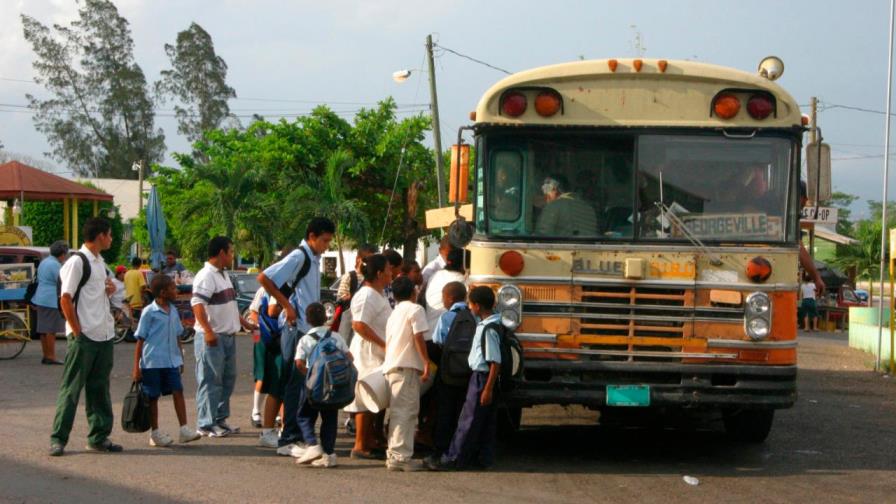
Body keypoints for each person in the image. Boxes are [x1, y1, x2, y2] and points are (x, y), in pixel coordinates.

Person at [257, 217, 335, 453]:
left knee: (301, 384)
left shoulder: (313, 257)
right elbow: (264, 277)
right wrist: (287, 306)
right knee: (294, 383)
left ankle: (295, 434)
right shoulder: (299, 256)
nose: (326, 245)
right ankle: (288, 437)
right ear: (312, 236)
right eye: (324, 240)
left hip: (306, 328)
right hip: (295, 328)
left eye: (329, 241)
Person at [49, 218, 119, 457]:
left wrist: (107, 291)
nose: (111, 239)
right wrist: (77, 331)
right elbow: (65, 298)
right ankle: (58, 439)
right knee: (71, 389)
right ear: (100, 235)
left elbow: (92, 295)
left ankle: (99, 437)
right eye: (109, 234)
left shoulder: (99, 262)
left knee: (99, 389)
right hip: (85, 335)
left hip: (104, 334)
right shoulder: (77, 262)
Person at [427, 286, 502, 471]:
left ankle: (453, 458)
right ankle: (481, 458)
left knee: (467, 421)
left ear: (477, 306)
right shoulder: (494, 323)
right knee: (482, 421)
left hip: (481, 379)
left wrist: (487, 389)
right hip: (480, 378)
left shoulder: (488, 329)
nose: (468, 307)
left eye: (470, 303)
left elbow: (495, 362)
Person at [131, 274, 202, 447]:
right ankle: (155, 432)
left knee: (178, 391)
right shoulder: (149, 312)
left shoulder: (173, 311)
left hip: (171, 361)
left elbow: (178, 335)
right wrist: (136, 368)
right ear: (163, 292)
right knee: (153, 397)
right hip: (152, 362)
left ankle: (184, 429)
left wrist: (180, 357)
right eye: (172, 288)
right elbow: (140, 340)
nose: (176, 290)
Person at [191, 236, 248, 438]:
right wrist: (207, 331)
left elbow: (230, 305)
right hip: (212, 337)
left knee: (227, 378)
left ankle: (219, 419)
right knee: (210, 379)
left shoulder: (223, 275)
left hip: (228, 336)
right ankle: (205, 423)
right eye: (231, 251)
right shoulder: (206, 275)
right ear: (222, 253)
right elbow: (197, 305)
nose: (232, 255)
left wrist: (245, 322)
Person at [344, 254, 392, 459]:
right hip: (367, 354)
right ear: (379, 273)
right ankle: (360, 445)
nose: (392, 274)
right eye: (389, 270)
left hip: (378, 353)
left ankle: (370, 439)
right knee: (365, 399)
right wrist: (384, 344)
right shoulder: (366, 295)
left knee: (377, 397)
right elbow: (359, 325)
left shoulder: (377, 294)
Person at [294, 302, 352, 468]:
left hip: (312, 387)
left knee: (304, 416)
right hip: (333, 387)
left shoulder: (305, 339)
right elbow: (349, 357)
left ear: (307, 319)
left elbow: (298, 363)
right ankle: (329, 454)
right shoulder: (336, 336)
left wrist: (309, 375)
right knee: (330, 419)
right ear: (325, 318)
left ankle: (312, 444)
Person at [383, 276, 430, 471]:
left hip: (393, 366)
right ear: (413, 292)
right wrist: (426, 362)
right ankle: (401, 457)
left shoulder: (394, 312)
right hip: (407, 367)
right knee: (407, 412)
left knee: (398, 412)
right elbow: (418, 336)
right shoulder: (415, 309)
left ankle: (395, 454)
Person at [430, 281, 470, 457]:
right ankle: (461, 449)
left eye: (443, 297)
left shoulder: (446, 317)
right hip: (468, 372)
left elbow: (438, 340)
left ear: (450, 298)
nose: (443, 301)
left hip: (448, 372)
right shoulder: (473, 316)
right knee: (463, 411)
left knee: (445, 411)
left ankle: (442, 449)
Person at [32, 240, 69, 365]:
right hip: (50, 298)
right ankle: (51, 356)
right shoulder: (55, 265)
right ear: (62, 253)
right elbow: (61, 281)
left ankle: (46, 354)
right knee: (51, 330)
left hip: (40, 297)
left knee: (43, 329)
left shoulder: (45, 261)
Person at [335, 244, 378, 341]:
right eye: (367, 260)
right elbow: (340, 300)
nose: (369, 264)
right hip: (349, 321)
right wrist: (350, 297)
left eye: (372, 261)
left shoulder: (374, 278)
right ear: (358, 259)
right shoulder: (349, 276)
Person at [424, 247, 467, 338]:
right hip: (445, 336)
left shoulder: (435, 275)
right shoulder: (462, 280)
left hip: (428, 334)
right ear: (464, 265)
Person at [798, 180, 826, 294]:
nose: (805, 202)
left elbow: (799, 248)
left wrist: (816, 278)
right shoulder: (784, 217)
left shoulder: (790, 218)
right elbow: (800, 250)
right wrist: (817, 278)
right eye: (804, 197)